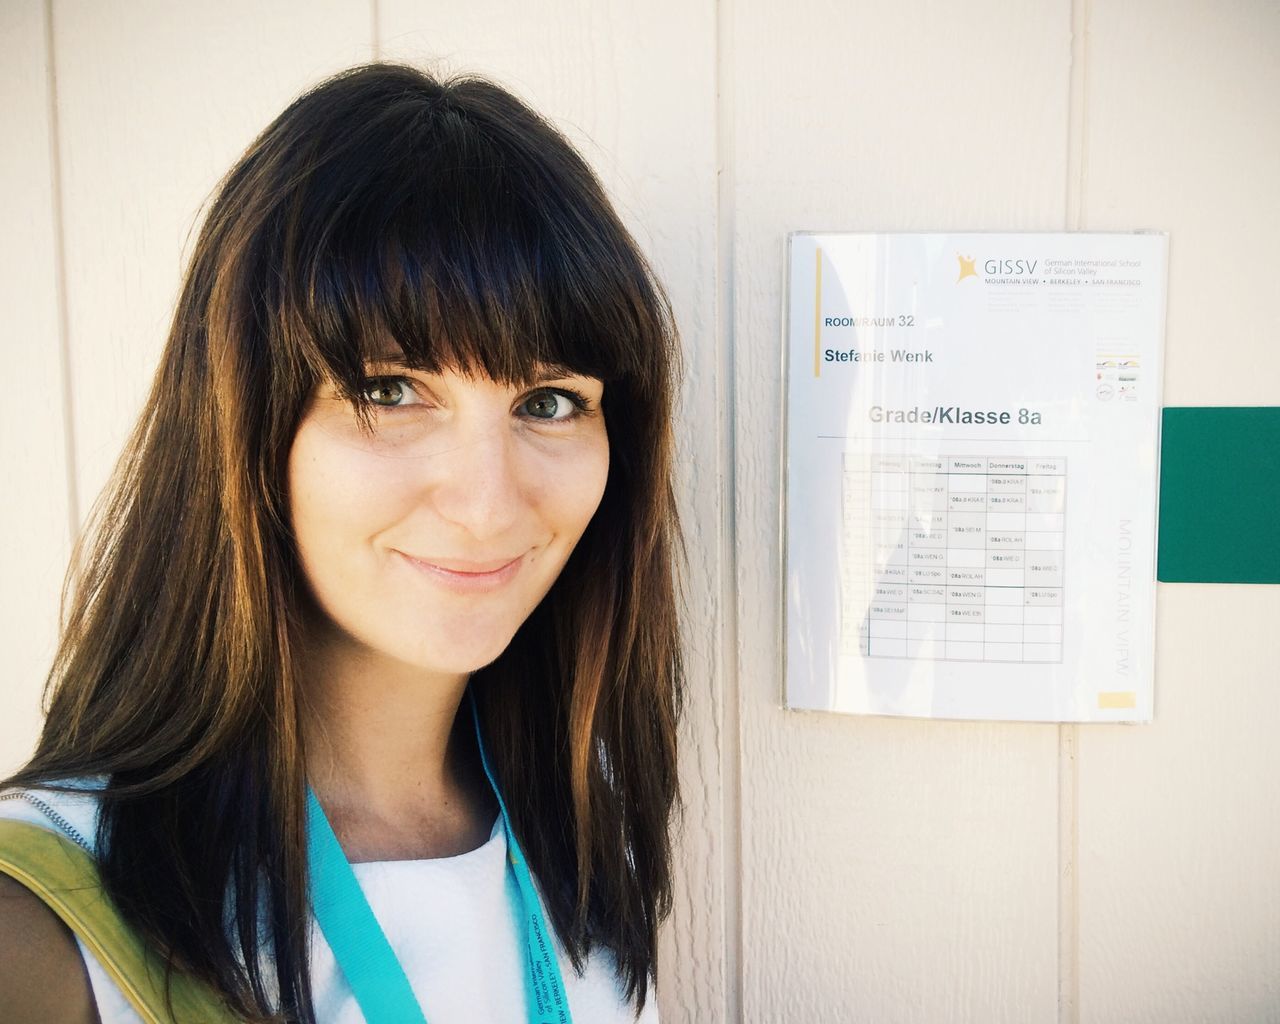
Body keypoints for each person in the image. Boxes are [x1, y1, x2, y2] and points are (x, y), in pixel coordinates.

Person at [0, 60, 686, 1024]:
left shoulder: (573, 829)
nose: (488, 503)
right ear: (245, 427)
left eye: (548, 401)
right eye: (391, 390)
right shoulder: (44, 920)